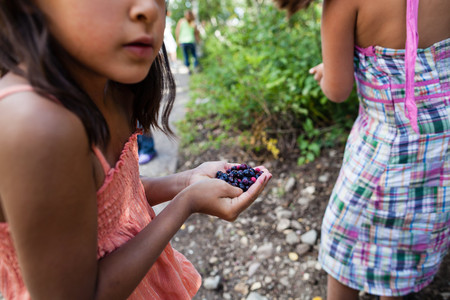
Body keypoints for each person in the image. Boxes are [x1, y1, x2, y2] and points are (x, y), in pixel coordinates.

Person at [0, 1, 272, 299]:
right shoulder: (35, 125)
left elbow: (106, 200)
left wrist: (185, 181)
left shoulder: (114, 88)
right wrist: (186, 202)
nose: (149, 9)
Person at [275, 0, 450, 299]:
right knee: (405, 253)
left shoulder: (343, 3)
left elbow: (338, 89)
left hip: (387, 153)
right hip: (441, 153)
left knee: (344, 246)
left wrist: (327, 72)